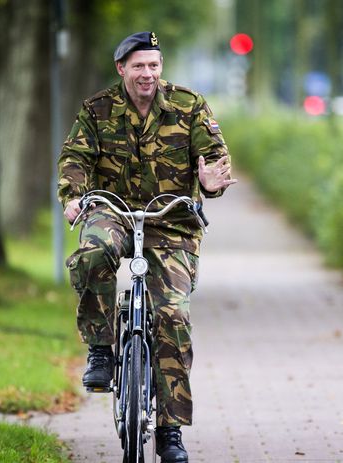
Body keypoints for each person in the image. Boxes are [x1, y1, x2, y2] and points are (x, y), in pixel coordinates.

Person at [57, 31, 236, 462]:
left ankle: (170, 432)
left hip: (170, 221)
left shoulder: (189, 106)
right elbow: (74, 159)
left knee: (172, 314)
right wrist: (74, 195)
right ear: (122, 69)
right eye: (138, 66)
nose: (148, 74)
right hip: (111, 212)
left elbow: (213, 155)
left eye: (154, 66)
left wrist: (211, 183)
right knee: (93, 252)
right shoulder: (97, 110)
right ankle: (101, 348)